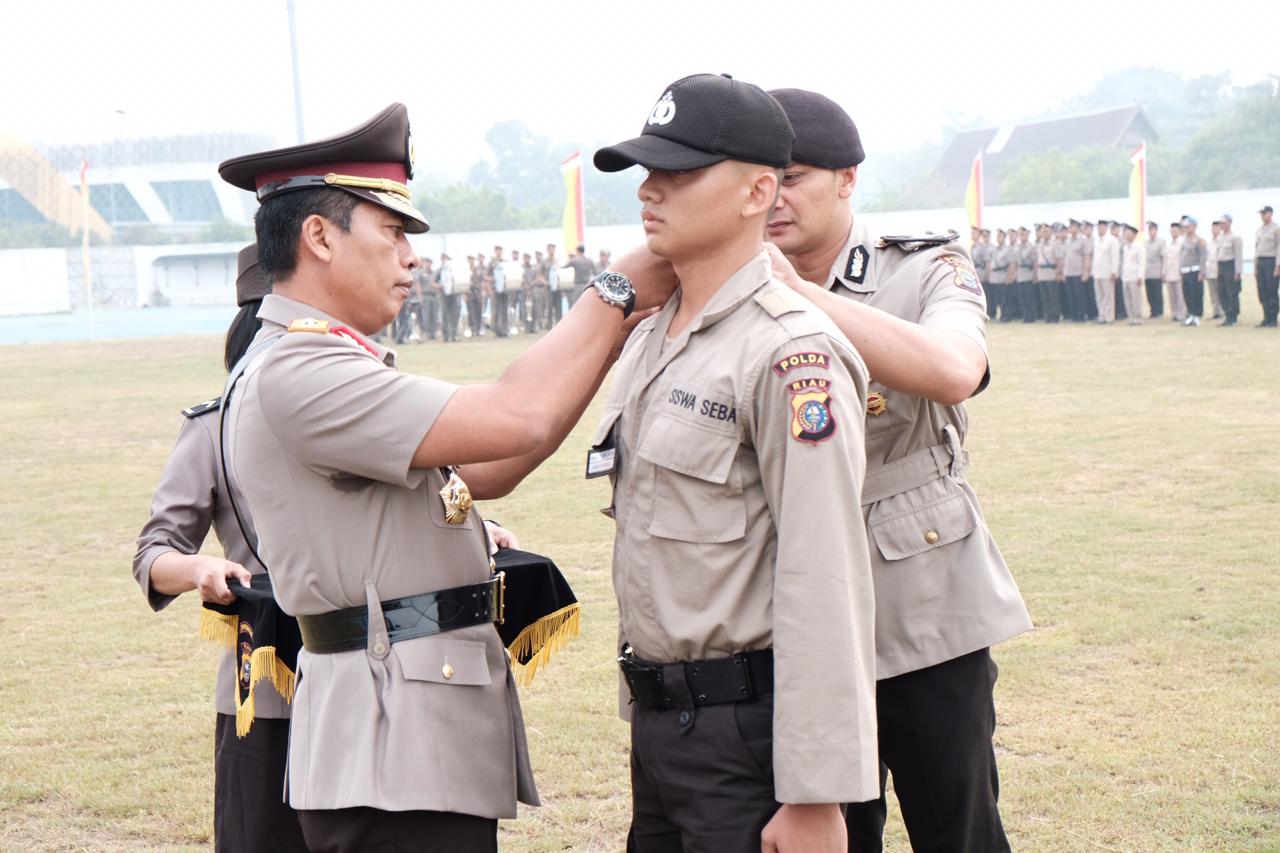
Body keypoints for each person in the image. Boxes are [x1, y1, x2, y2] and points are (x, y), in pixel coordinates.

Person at [216, 102, 674, 851]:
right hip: (391, 748)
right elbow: (517, 416)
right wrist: (614, 290)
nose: (411, 256)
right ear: (320, 236)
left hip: (400, 738)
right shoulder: (302, 369)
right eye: (393, 232)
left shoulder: (309, 359)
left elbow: (495, 465)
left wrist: (612, 335)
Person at [592, 74, 878, 853]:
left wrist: (818, 793)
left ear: (758, 192)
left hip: (745, 736)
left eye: (679, 173)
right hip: (661, 726)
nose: (650, 190)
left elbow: (826, 575)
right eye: (647, 171)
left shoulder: (789, 352)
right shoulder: (655, 336)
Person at [761, 87, 1032, 853]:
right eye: (762, 179)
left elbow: (953, 367)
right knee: (837, 833)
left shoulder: (923, 266)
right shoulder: (736, 285)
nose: (774, 199)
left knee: (959, 827)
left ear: (848, 178)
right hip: (799, 612)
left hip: (923, 605)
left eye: (795, 177)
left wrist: (802, 295)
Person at [133, 245, 308, 853]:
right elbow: (154, 552)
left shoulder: (367, 405)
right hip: (265, 681)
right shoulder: (214, 425)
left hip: (375, 671)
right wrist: (200, 567)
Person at [1214, 214, 1243, 326]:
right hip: (1221, 266)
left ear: (1230, 223)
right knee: (1222, 291)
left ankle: (1233, 316)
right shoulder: (1219, 238)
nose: (1222, 225)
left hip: (1230, 266)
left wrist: (1238, 272)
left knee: (1232, 292)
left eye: (1224, 223)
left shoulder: (1235, 237)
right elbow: (1217, 254)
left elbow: (1238, 256)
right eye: (1220, 223)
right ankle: (1227, 314)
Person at [1180, 217, 1208, 326]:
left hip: (1195, 270)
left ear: (1194, 227)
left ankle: (1196, 316)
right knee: (1187, 294)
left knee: (1196, 294)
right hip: (1185, 271)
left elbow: (1203, 256)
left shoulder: (1199, 240)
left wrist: (1202, 272)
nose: (1186, 229)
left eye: (1188, 227)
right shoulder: (1184, 240)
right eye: (1185, 227)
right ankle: (1190, 314)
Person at [1092, 219, 1120, 324]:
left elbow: (1115, 257)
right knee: (1099, 296)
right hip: (1097, 273)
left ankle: (1109, 317)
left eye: (1102, 228)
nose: (1100, 230)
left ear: (1106, 228)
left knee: (1108, 296)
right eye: (1098, 228)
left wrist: (1114, 272)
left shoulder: (1112, 240)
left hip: (1107, 273)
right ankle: (1102, 316)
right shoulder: (1097, 241)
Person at [1256, 206, 1279, 327]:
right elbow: (1257, 248)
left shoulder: (1276, 229)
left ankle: (1273, 318)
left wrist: (1278, 266)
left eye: (1264, 213)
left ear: (1270, 214)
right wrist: (1255, 265)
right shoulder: (1260, 229)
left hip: (1271, 261)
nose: (1262, 216)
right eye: (1261, 213)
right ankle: (1266, 317)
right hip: (1261, 261)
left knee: (1271, 290)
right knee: (1262, 290)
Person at [1120, 223, 1147, 325]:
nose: (1126, 235)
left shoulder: (1139, 247)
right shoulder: (1125, 247)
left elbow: (1142, 263)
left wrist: (1140, 276)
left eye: (1128, 233)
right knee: (1128, 299)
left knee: (1136, 299)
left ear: (1134, 235)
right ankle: (1131, 317)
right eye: (1125, 233)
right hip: (1126, 276)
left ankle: (1137, 317)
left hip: (1135, 277)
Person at [1164, 221, 1187, 323]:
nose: (1173, 232)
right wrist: (1163, 272)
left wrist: (1183, 271)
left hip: (1179, 272)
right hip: (1169, 272)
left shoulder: (1182, 242)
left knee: (1180, 295)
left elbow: (1184, 258)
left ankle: (1182, 314)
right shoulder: (1168, 243)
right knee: (1171, 295)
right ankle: (1174, 313)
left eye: (1175, 230)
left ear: (1179, 231)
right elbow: (1165, 259)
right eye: (1172, 230)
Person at [1143, 222, 1165, 319]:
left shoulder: (1161, 242)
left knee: (1157, 292)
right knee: (1149, 292)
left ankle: (1159, 311)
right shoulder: (1145, 243)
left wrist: (1163, 271)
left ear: (1156, 231)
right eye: (1150, 230)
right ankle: (1153, 311)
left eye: (1153, 230)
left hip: (1157, 269)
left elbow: (1163, 257)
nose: (1151, 232)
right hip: (1147, 271)